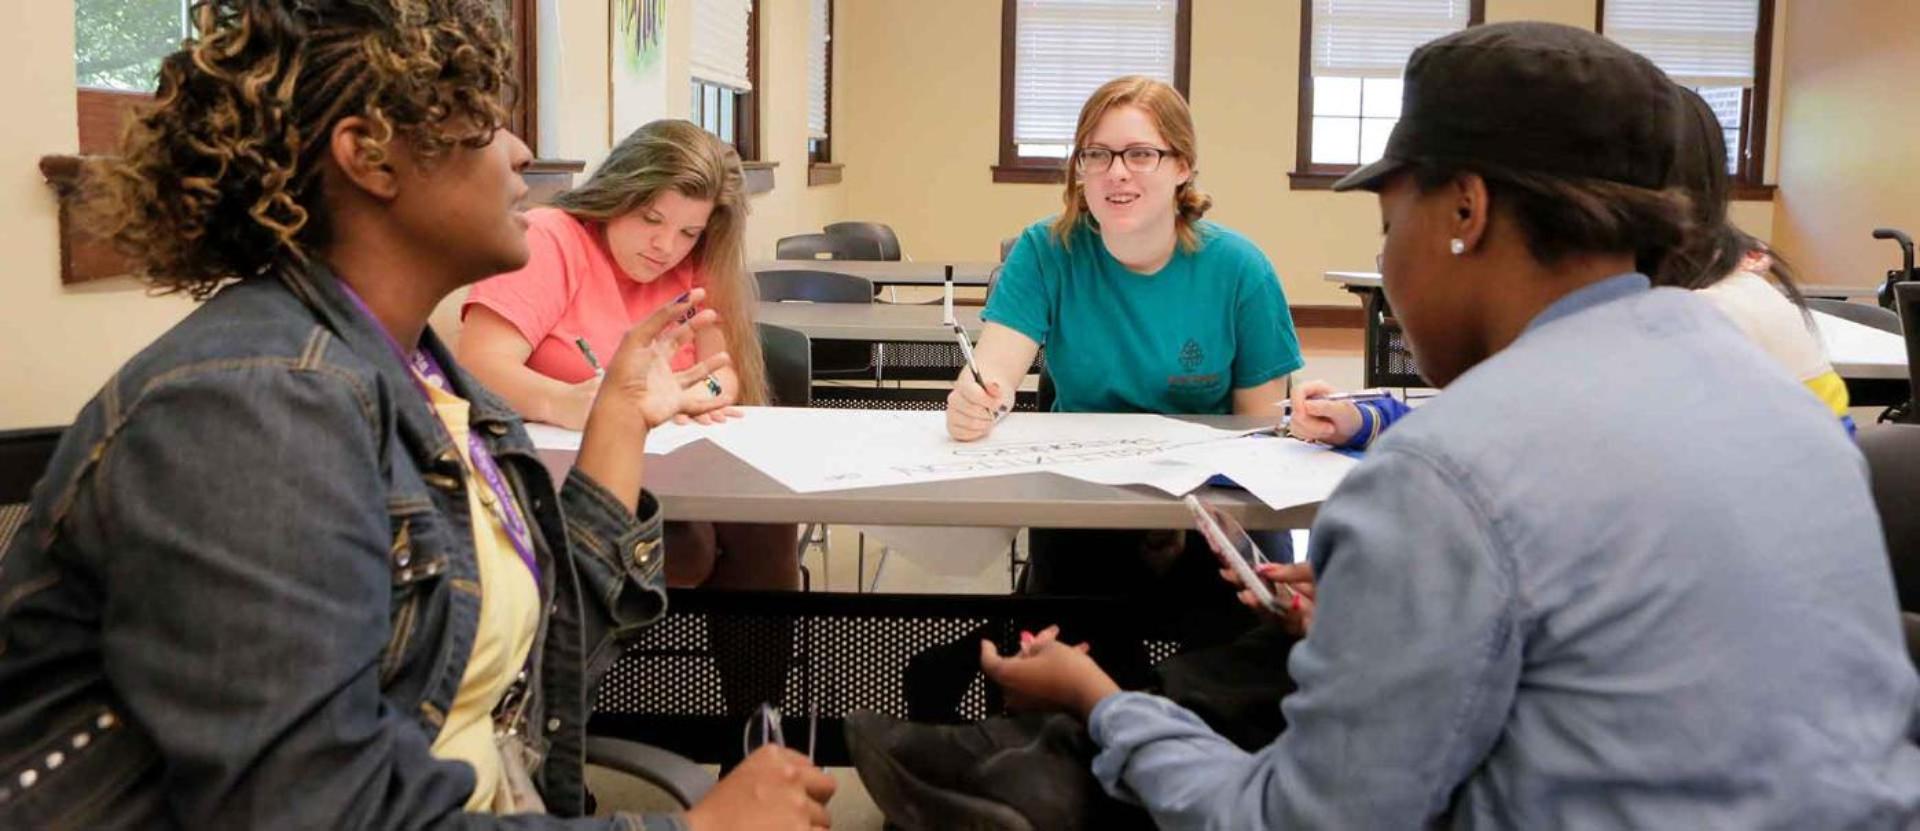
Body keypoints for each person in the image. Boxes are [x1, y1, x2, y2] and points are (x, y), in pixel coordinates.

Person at [851, 22, 1920, 829]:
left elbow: (1294, 821)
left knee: (1189, 738)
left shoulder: (1450, 476)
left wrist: (1102, 704)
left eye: (1385, 220)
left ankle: (1064, 764)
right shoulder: (1777, 407)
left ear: (1465, 213)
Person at [0, 3, 831, 828]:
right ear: (370, 157)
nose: (523, 152)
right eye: (486, 126)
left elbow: (538, 649)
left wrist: (618, 419)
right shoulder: (256, 409)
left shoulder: (420, 371)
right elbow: (318, 815)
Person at [949, 74, 1303, 656]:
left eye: (1141, 154)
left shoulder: (1240, 270)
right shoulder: (1046, 250)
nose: (1117, 171)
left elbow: (1259, 435)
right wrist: (976, 397)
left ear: (1182, 166)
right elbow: (996, 370)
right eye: (1098, 154)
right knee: (1085, 655)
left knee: (1240, 660)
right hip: (1088, 502)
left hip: (1210, 506)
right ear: (1080, 168)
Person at [1290, 86, 1855, 448]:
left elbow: (1513, 447)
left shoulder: (1695, 322)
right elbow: (1509, 432)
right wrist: (1372, 419)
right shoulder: (1678, 300)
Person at [459, 119, 798, 591]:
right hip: (561, 477)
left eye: (688, 232)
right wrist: (573, 403)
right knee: (689, 548)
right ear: (617, 194)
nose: (666, 248)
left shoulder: (701, 261)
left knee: (766, 524)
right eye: (651, 219)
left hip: (675, 470)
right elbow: (477, 366)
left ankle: (763, 670)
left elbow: (723, 378)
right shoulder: (549, 238)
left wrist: (687, 395)